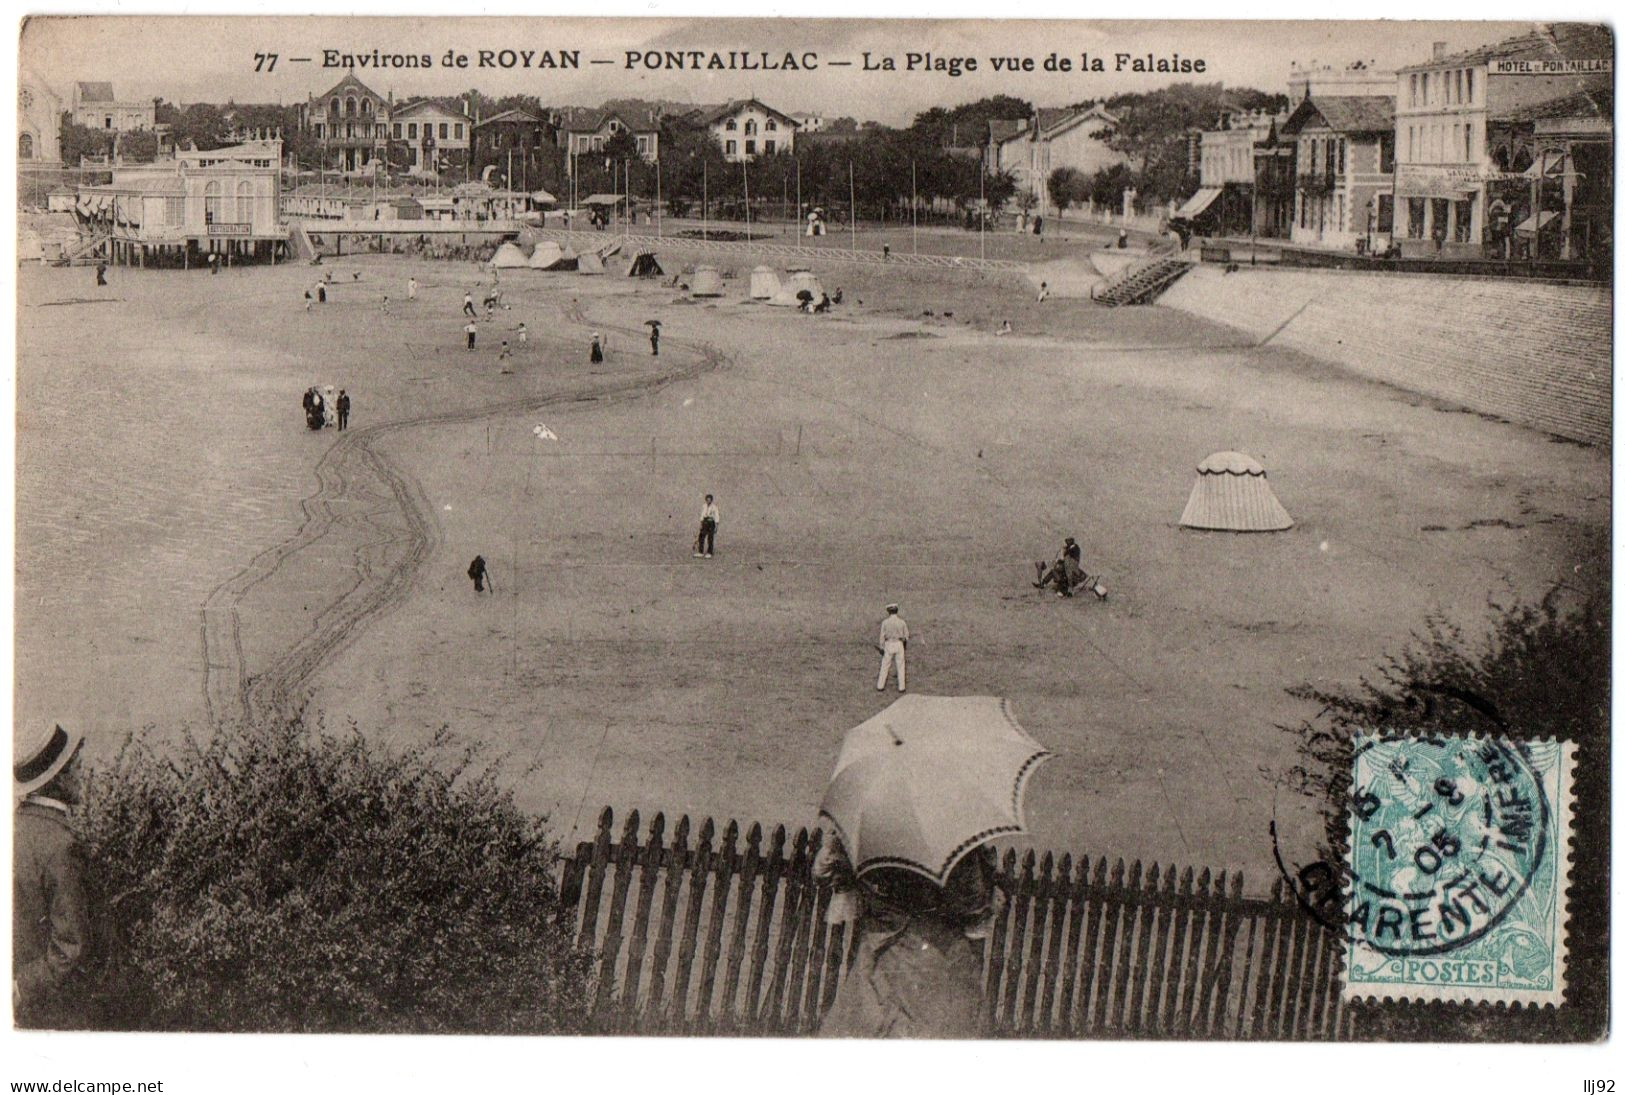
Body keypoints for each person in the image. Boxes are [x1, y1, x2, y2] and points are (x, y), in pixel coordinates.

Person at [815, 837, 994, 1038]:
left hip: (891, 946)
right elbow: (974, 901)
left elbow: (825, 871)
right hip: (929, 950)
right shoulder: (956, 833)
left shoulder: (881, 824)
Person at [14, 721, 91, 1028]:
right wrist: (20, 989)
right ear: (58, 780)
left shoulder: (15, 828)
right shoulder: (61, 845)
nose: (83, 776)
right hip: (46, 1011)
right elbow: (70, 947)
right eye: (78, 768)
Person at [876, 604, 909, 692]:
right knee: (901, 666)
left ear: (889, 612)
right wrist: (904, 644)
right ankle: (902, 687)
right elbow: (906, 636)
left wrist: (881, 647)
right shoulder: (902, 622)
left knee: (885, 665)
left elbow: (882, 636)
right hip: (899, 644)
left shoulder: (885, 622)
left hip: (889, 644)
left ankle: (880, 686)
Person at [693, 494, 719, 558]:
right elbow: (702, 514)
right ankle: (700, 552)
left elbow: (716, 516)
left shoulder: (714, 507)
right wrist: (701, 523)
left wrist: (716, 526)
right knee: (701, 537)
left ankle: (709, 552)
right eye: (707, 500)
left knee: (710, 538)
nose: (708, 501)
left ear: (711, 500)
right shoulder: (704, 506)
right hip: (705, 522)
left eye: (709, 500)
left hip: (711, 522)